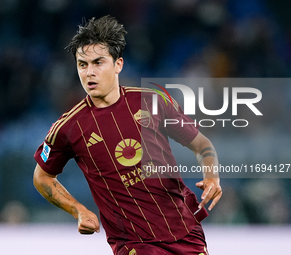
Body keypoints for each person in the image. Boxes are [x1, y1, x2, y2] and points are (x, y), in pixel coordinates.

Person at [33, 15, 222, 255]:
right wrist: (78, 210)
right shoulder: (68, 127)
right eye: (82, 64)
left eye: (98, 62)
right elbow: (42, 177)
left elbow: (201, 144)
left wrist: (212, 176)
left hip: (185, 230)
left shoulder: (153, 100)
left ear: (118, 64)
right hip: (133, 244)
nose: (89, 72)